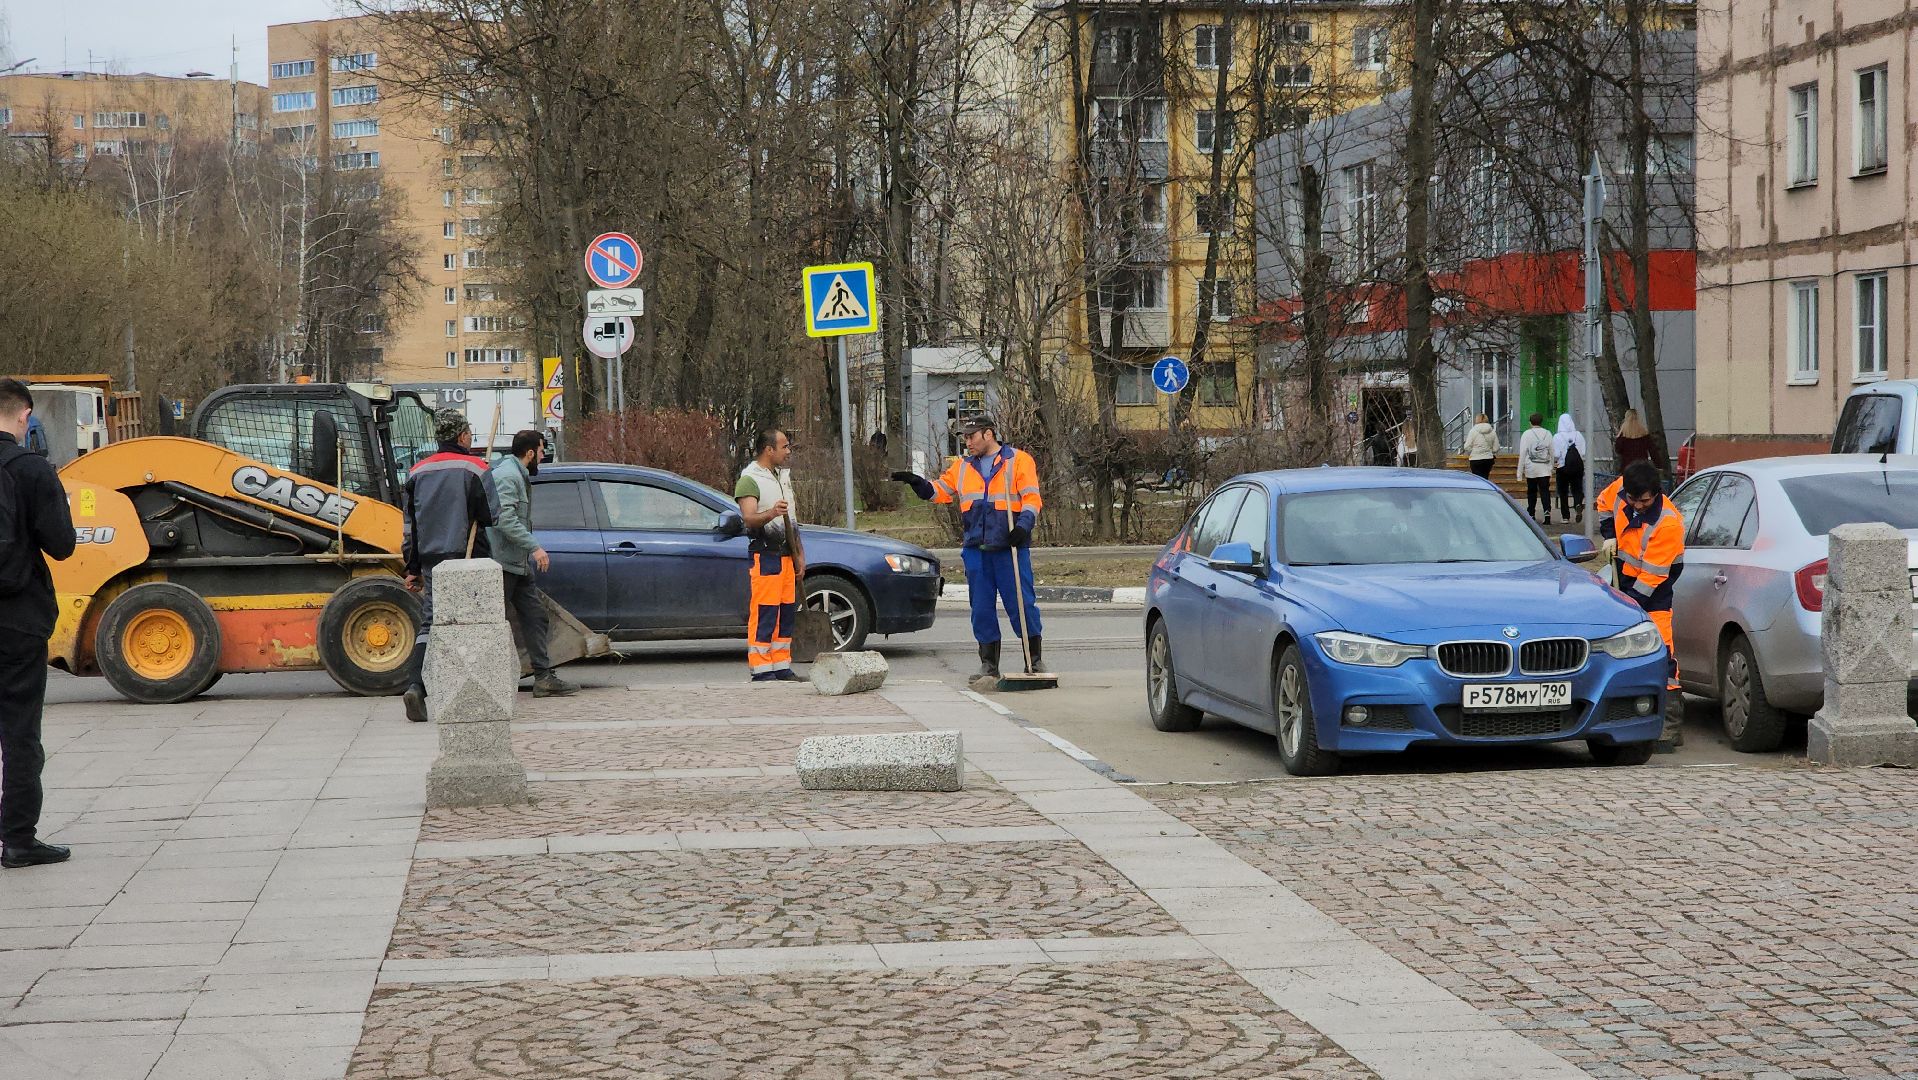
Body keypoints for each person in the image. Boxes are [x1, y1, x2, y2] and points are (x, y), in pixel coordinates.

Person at [892, 414, 1043, 679]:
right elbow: (940, 491)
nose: (967, 443)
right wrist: (918, 484)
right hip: (976, 549)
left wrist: (1024, 526)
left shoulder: (1018, 461)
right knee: (981, 608)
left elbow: (1032, 498)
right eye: (964, 438)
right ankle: (989, 665)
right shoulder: (962, 467)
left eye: (971, 437)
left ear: (988, 434)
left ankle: (1034, 660)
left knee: (1021, 605)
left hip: (1010, 548)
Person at [0, 379, 76, 868]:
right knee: (19, 730)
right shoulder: (31, 471)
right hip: (17, 622)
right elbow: (62, 544)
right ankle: (18, 840)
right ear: (25, 416)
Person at [400, 408, 499, 722]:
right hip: (469, 556)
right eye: (469, 432)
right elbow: (491, 516)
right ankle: (473, 691)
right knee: (476, 624)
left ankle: (416, 685)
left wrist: (412, 568)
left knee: (430, 624)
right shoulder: (475, 467)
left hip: (431, 560)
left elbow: (412, 527)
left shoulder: (416, 472)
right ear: (462, 435)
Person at [487, 430, 578, 699]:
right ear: (529, 453)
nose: (542, 455)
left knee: (535, 616)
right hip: (504, 562)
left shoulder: (517, 474)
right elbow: (505, 520)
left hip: (517, 563)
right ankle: (490, 681)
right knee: (494, 624)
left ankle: (543, 677)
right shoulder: (508, 476)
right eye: (540, 451)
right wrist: (534, 547)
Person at [1613, 460, 1686, 751]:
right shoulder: (1621, 495)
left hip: (1653, 596)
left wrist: (1630, 606)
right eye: (1633, 500)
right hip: (1626, 589)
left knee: (1663, 656)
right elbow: (1605, 502)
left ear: (1656, 493)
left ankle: (1670, 726)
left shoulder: (1667, 522)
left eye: (1645, 501)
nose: (1639, 506)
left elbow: (1653, 576)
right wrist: (1608, 535)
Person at [735, 429, 805, 682]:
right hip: (765, 555)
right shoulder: (749, 479)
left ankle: (781, 664)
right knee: (765, 610)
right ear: (769, 449)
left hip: (787, 557)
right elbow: (749, 518)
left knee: (785, 611)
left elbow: (793, 521)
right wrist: (772, 513)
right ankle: (762, 667)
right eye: (785, 447)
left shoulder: (781, 477)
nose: (788, 452)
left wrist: (799, 554)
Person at [1515, 412, 1555, 524]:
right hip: (1544, 468)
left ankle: (1531, 513)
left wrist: (1519, 472)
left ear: (1530, 422)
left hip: (1531, 468)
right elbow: (1552, 451)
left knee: (1531, 491)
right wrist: (1551, 466)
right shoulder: (1548, 433)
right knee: (1545, 491)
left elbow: (1523, 453)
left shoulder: (1527, 434)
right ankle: (1547, 512)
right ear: (1541, 421)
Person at [1553, 413, 1588, 522]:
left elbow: (1556, 454)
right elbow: (1583, 452)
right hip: (1577, 467)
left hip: (1562, 467)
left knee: (1563, 491)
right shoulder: (1578, 435)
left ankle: (1565, 516)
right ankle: (1577, 503)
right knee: (1577, 488)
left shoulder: (1557, 437)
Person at [1463, 414, 1499, 479]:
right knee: (1485, 478)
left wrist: (1473, 451)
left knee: (1477, 479)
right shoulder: (1492, 431)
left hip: (1475, 459)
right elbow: (1496, 447)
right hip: (1488, 459)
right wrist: (1489, 450)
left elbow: (1466, 446)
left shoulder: (1473, 431)